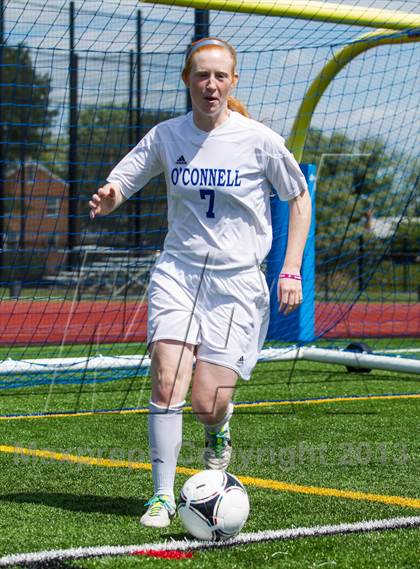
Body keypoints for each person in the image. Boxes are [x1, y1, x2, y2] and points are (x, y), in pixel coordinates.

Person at [89, 37, 312, 529]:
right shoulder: (167, 136)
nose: (210, 84)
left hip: (236, 284)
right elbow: (125, 179)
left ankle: (218, 429)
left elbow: (299, 199)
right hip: (179, 273)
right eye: (201, 75)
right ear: (187, 80)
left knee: (208, 402)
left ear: (233, 82)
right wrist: (111, 196)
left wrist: (290, 267)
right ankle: (162, 497)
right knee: (167, 380)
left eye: (219, 76)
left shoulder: (259, 140)